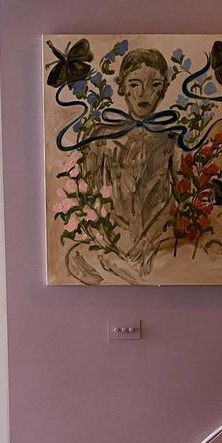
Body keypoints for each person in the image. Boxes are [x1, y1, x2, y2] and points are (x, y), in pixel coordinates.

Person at [82, 48, 177, 278]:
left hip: (155, 244)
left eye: (154, 85)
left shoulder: (169, 140)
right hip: (110, 243)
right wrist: (112, 239)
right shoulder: (101, 136)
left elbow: (176, 196)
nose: (144, 94)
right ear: (122, 86)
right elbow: (90, 193)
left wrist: (149, 238)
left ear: (164, 89)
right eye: (135, 84)